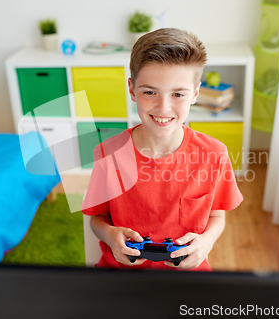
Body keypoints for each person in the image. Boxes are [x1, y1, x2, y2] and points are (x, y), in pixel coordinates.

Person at [81, 28, 243, 271]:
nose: (163, 107)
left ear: (195, 93)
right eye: (149, 92)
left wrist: (206, 242)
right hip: (118, 277)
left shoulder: (214, 154)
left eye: (178, 94)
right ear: (132, 89)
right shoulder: (108, 154)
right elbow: (96, 219)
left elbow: (217, 217)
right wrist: (110, 236)